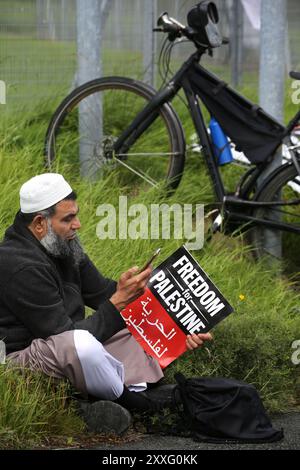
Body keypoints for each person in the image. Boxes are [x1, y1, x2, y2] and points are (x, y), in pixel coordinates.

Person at [0, 173, 212, 432]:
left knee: (135, 316)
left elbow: (103, 292)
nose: (77, 225)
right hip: (19, 360)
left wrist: (180, 324)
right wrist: (118, 301)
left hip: (65, 346)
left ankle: (117, 395)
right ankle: (140, 405)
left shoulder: (62, 245)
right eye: (68, 219)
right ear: (39, 223)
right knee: (83, 345)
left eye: (75, 215)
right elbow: (63, 336)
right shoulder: (18, 264)